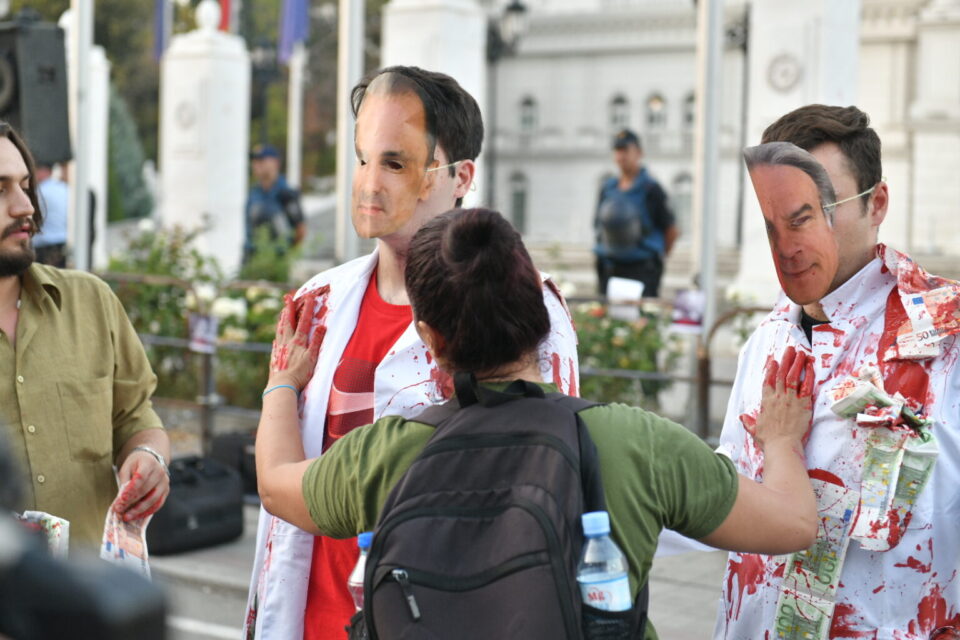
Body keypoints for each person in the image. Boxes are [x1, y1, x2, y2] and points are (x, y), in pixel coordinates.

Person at [255, 207, 819, 640]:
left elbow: (276, 484)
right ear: (540, 309)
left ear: (430, 339)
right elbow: (793, 524)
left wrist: (283, 382)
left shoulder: (385, 455)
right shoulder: (632, 443)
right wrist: (780, 441)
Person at [243, 67, 580, 640]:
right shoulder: (318, 303)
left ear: (459, 176)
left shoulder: (524, 310)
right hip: (306, 618)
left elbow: (546, 485)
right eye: (362, 159)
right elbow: (280, 503)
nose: (369, 184)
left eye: (396, 164)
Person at [713, 105, 960, 638]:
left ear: (877, 203)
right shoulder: (767, 341)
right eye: (775, 221)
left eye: (812, 214)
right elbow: (728, 485)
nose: (789, 245)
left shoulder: (948, 338)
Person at [0, 121, 170, 549]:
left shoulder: (90, 301)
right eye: (0, 190)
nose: (25, 207)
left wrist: (148, 456)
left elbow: (135, 418)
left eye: (26, 186)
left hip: (88, 581)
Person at [594, 129, 679, 298]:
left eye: (625, 150)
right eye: (617, 151)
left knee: (642, 315)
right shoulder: (608, 188)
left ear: (639, 153)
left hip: (641, 269)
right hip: (609, 268)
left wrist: (656, 257)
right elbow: (598, 226)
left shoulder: (651, 189)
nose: (621, 156)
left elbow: (671, 230)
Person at [244, 143, 306, 261]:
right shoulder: (253, 193)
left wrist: (285, 258)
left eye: (261, 160)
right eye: (254, 161)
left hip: (277, 262)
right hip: (253, 261)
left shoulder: (286, 193)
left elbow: (300, 231)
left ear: (275, 163)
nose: (256, 165)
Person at [32, 163, 68, 268]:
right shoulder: (64, 188)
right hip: (63, 241)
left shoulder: (40, 190)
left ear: (45, 171)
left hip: (45, 245)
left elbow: (35, 218)